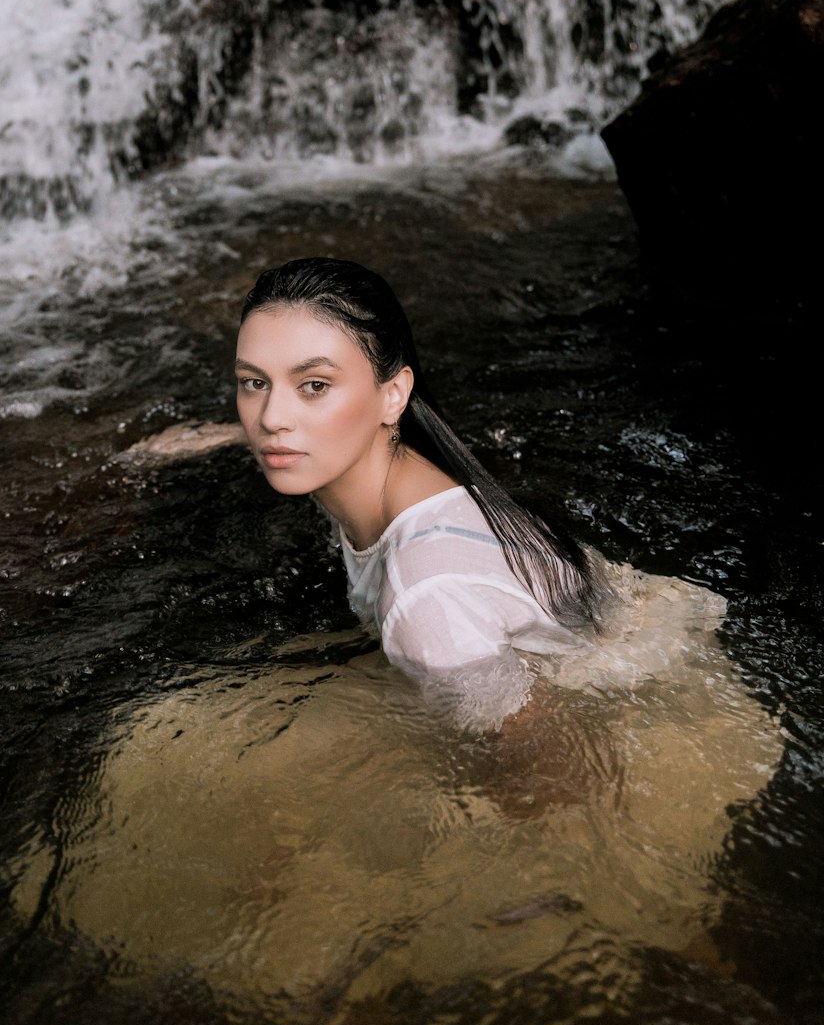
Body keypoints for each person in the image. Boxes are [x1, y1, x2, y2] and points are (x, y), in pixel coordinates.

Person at [233, 256, 610, 723]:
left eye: (314, 385)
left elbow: (555, 780)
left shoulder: (426, 600)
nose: (270, 419)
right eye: (254, 383)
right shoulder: (389, 463)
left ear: (393, 395)